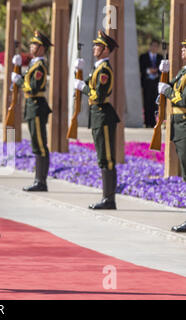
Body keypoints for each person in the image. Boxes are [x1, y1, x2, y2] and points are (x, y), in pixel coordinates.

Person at [74, 30, 120, 210]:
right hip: (97, 115)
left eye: (98, 45)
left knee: (107, 158)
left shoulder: (104, 70)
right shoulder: (97, 67)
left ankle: (109, 199)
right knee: (102, 157)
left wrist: (82, 87)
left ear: (106, 49)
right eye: (94, 45)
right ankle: (106, 197)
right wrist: (79, 71)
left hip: (103, 114)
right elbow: (86, 84)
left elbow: (98, 96)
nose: (94, 48)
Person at [11, 31, 53, 192]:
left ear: (42, 48)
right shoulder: (34, 64)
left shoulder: (40, 66)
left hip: (36, 105)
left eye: (34, 44)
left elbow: (33, 88)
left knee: (40, 144)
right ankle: (38, 180)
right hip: (32, 106)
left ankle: (41, 181)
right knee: (36, 144)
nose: (31, 46)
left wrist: (19, 79)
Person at [158, 39, 186, 232]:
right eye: (183, 47)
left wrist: (167, 90)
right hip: (179, 126)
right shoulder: (183, 72)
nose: (183, 50)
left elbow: (183, 100)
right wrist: (165, 76)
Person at [139, 39, 163, 128]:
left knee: (155, 103)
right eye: (153, 46)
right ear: (150, 46)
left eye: (156, 46)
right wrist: (149, 71)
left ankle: (154, 122)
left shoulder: (161, 57)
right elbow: (141, 68)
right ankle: (147, 122)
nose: (154, 48)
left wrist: (157, 71)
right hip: (147, 83)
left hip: (156, 83)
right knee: (147, 102)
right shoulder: (143, 56)